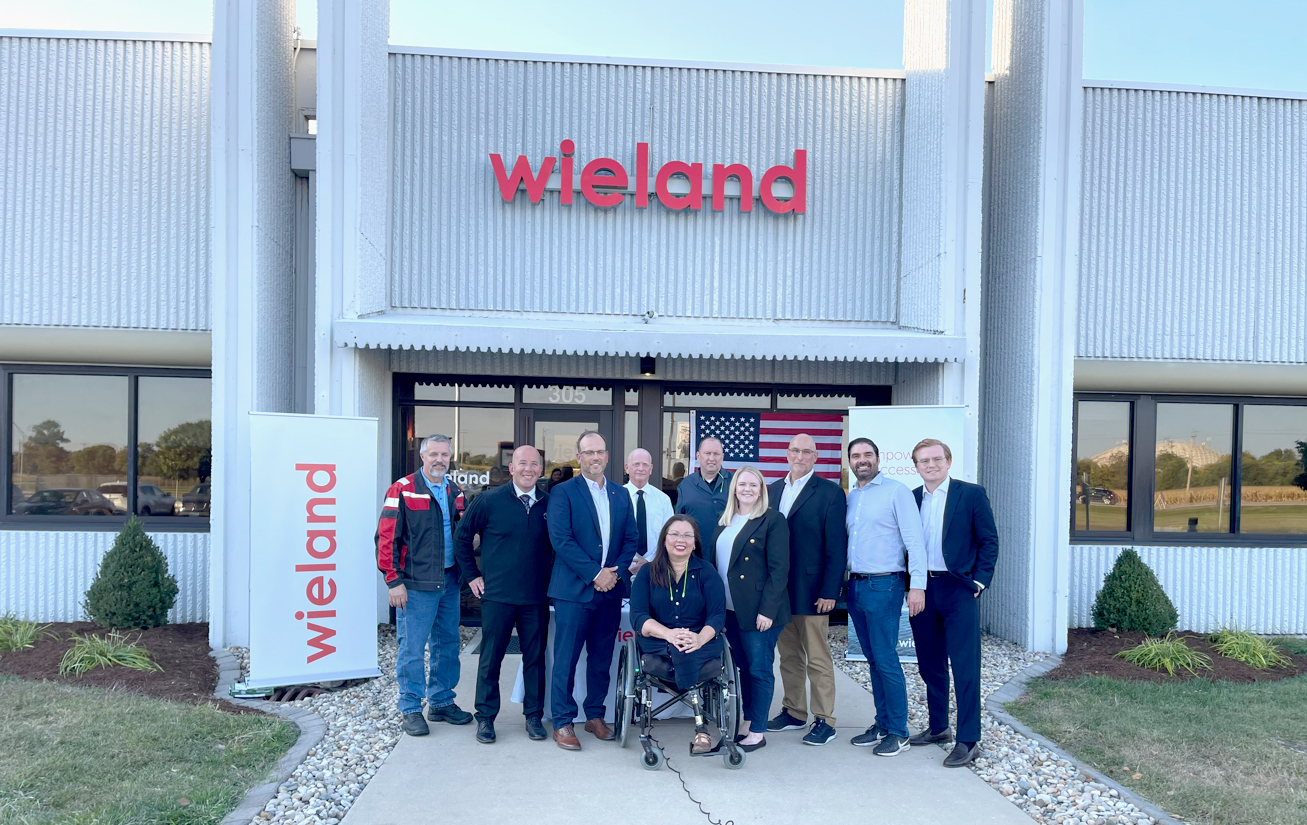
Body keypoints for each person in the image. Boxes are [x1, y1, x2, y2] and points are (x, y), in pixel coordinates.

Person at [908, 438, 999, 768]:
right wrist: (911, 585)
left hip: (959, 588)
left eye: (936, 459)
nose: (930, 465)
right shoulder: (911, 498)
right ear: (916, 466)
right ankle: (938, 728)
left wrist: (979, 581)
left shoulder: (970, 494)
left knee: (964, 665)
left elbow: (988, 541)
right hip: (922, 589)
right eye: (923, 461)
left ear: (948, 461)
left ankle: (968, 739)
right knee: (929, 663)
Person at [546, 431, 639, 750]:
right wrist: (595, 574)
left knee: (601, 659)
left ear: (607, 456)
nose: (595, 457)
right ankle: (562, 721)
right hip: (574, 592)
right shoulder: (563, 492)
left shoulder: (620, 494)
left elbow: (631, 538)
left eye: (600, 452)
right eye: (588, 452)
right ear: (579, 457)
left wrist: (615, 573)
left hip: (610, 592)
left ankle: (595, 715)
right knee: (566, 660)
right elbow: (561, 540)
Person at [454, 445, 553, 745]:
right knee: (491, 658)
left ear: (541, 470)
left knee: (535, 659)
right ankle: (485, 718)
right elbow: (461, 538)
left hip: (536, 597)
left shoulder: (550, 504)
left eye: (534, 464)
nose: (528, 469)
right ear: (511, 468)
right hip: (497, 595)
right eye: (522, 463)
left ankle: (533, 716)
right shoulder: (488, 500)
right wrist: (472, 576)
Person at [375, 434, 473, 736]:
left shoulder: (455, 491)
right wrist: (394, 581)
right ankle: (411, 708)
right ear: (422, 456)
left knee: (448, 645)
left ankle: (441, 702)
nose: (439, 460)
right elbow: (386, 538)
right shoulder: (402, 489)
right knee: (413, 649)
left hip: (449, 581)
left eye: (444, 455)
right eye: (433, 454)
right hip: (415, 585)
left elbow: (461, 531)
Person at [843, 437, 927, 757]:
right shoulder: (852, 497)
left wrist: (917, 585)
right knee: (873, 659)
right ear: (850, 461)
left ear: (878, 458)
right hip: (856, 585)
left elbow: (915, 541)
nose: (862, 460)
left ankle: (899, 731)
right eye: (856, 455)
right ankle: (882, 723)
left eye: (867, 454)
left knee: (886, 659)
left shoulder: (896, 492)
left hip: (884, 585)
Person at [767, 433, 848, 746]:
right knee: (788, 656)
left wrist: (830, 591)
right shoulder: (772, 490)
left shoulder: (830, 493)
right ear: (787, 454)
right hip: (780, 592)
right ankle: (794, 711)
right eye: (795, 450)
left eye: (806, 452)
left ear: (815, 457)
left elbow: (837, 547)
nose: (799, 456)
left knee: (817, 658)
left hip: (814, 591)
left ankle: (825, 720)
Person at [705, 465, 790, 752]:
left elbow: (779, 570)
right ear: (734, 489)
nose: (748, 489)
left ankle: (758, 731)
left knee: (760, 669)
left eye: (754, 485)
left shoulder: (772, 520)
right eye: (742, 484)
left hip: (759, 612)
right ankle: (749, 720)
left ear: (762, 489)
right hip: (730, 610)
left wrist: (767, 611)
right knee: (743, 668)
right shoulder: (726, 519)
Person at [628, 515, 726, 754]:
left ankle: (701, 727)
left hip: (701, 641)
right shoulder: (648, 572)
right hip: (658, 642)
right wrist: (669, 634)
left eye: (687, 535)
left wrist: (699, 638)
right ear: (664, 539)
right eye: (674, 534)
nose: (680, 540)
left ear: (695, 543)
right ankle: (701, 728)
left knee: (686, 648)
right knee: (680, 648)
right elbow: (638, 616)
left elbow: (717, 616)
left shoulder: (707, 571)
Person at [624, 448, 675, 578]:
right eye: (636, 464)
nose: (641, 468)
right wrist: (626, 561)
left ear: (651, 469)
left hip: (655, 568)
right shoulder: (615, 498)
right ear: (627, 468)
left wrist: (649, 561)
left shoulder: (663, 500)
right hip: (622, 569)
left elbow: (670, 536)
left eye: (645, 465)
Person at [676, 436, 731, 535]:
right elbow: (679, 521)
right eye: (707, 453)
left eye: (716, 454)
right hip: (696, 544)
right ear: (698, 456)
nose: (712, 458)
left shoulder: (735, 482)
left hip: (728, 543)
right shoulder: (685, 485)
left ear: (722, 457)